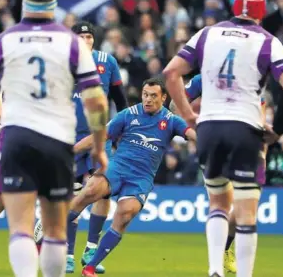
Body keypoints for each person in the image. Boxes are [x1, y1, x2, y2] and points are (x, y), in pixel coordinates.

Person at [163, 0, 283, 277]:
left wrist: (188, 115)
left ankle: (214, 270)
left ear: (234, 7)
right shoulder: (268, 41)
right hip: (246, 129)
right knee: (247, 211)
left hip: (210, 128)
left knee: (217, 204)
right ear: (263, 11)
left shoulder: (206, 34)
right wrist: (279, 130)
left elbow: (170, 73)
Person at [0, 0, 109, 277]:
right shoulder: (72, 43)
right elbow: (97, 101)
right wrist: (99, 146)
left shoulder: (4, 41)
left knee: (21, 227)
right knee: (54, 231)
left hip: (17, 139)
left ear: (25, 0)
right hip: (57, 142)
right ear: (54, 1)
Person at [69, 78, 196, 277]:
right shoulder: (129, 114)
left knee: (126, 214)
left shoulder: (171, 121)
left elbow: (190, 133)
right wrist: (73, 150)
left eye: (153, 96)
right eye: (145, 95)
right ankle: (52, 229)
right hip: (118, 168)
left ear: (163, 98)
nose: (148, 99)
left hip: (141, 178)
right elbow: (100, 136)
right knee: (91, 191)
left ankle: (90, 267)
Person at [170, 74, 269, 274]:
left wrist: (263, 154)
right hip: (214, 146)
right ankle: (216, 267)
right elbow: (174, 105)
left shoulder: (252, 79)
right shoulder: (203, 78)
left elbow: (260, 120)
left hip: (246, 149)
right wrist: (196, 127)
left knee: (244, 210)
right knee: (221, 205)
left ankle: (224, 249)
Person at [62, 21, 128, 274]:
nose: (86, 40)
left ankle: (91, 248)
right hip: (70, 138)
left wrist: (124, 129)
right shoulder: (65, 63)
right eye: (80, 36)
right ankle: (68, 252)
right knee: (74, 194)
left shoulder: (107, 62)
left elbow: (120, 101)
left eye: (89, 36)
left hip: (101, 137)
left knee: (103, 192)